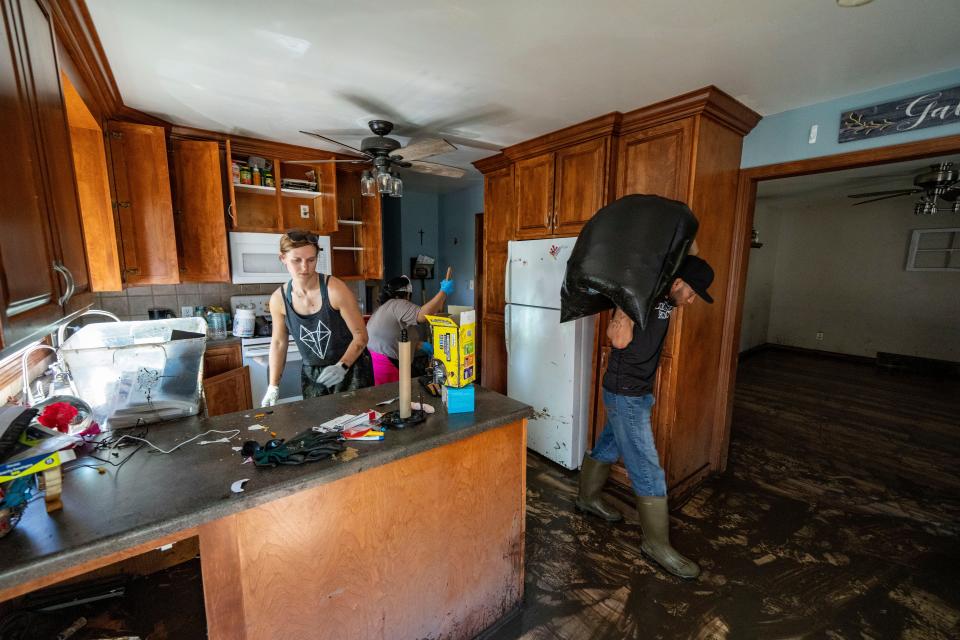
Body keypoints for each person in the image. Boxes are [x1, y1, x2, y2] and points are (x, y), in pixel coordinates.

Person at [576, 255, 715, 580]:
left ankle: (587, 498)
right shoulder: (641, 293)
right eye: (693, 293)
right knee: (645, 466)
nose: (692, 301)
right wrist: (625, 305)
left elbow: (688, 250)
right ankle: (656, 545)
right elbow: (618, 338)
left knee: (609, 444)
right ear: (679, 283)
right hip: (625, 392)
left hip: (634, 391)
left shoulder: (666, 296)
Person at [261, 230, 374, 406]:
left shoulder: (335, 290)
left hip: (351, 368)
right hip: (312, 374)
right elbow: (278, 343)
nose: (305, 267)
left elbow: (361, 336)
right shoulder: (279, 299)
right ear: (282, 258)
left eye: (311, 260)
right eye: (296, 260)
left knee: (357, 425)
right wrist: (273, 386)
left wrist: (342, 366)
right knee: (319, 425)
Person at [366, 274, 454, 385]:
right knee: (397, 396)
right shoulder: (398, 304)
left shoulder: (384, 308)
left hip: (376, 363)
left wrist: (420, 345)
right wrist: (443, 292)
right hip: (388, 364)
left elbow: (394, 336)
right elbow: (423, 315)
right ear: (407, 294)